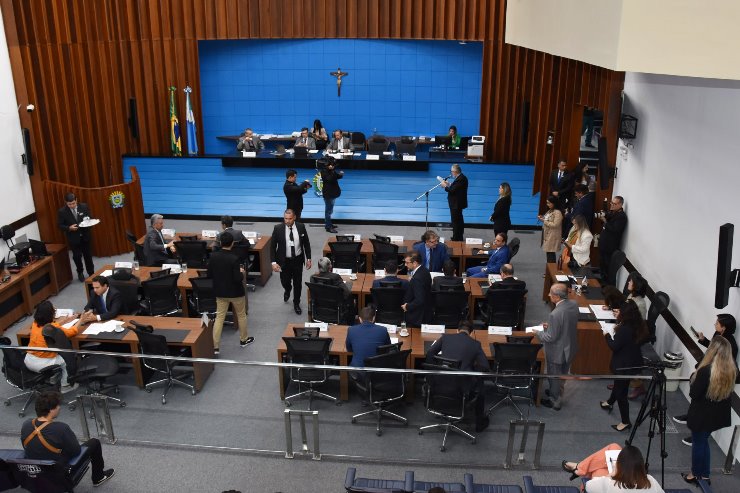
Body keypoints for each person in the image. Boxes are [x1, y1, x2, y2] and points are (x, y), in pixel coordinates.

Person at [21, 391, 115, 487]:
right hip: (57, 470)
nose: (59, 408)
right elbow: (76, 451)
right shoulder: (61, 428)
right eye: (58, 406)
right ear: (51, 410)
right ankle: (98, 477)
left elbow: (25, 446)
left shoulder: (26, 424)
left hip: (35, 470)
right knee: (94, 443)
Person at [682, 337, 737, 485]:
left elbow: (694, 394)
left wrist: (693, 378)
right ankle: (705, 475)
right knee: (704, 442)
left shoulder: (706, 371)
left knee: (698, 444)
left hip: (701, 416)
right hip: (717, 417)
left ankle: (694, 474)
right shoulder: (731, 370)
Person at [426, 321, 490, 431]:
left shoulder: (445, 337)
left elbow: (430, 353)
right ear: (471, 332)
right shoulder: (475, 344)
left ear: (457, 330)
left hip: (439, 383)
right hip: (461, 388)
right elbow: (485, 366)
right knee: (480, 382)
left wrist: (436, 369)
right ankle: (479, 422)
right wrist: (471, 369)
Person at [599, 300, 649, 432]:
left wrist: (607, 335)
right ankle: (610, 402)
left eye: (620, 311)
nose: (618, 312)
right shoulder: (637, 324)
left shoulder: (624, 329)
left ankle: (625, 421)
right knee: (619, 384)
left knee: (621, 393)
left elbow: (614, 346)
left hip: (624, 365)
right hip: (633, 361)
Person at [207, 232, 252, 354]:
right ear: (232, 243)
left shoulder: (213, 256)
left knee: (219, 317)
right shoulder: (234, 258)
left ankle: (215, 346)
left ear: (220, 243)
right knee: (241, 315)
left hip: (220, 292)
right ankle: (244, 339)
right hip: (236, 293)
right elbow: (237, 278)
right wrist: (241, 271)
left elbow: (209, 274)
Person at [23, 301, 83, 392]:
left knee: (58, 354)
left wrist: (66, 320)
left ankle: (54, 376)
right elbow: (72, 331)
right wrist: (82, 320)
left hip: (28, 360)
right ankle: (65, 385)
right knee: (67, 359)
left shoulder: (35, 324)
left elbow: (52, 326)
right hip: (41, 364)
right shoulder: (52, 329)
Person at [537, 283, 579, 410]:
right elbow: (565, 324)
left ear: (556, 297)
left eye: (550, 293)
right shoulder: (574, 304)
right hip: (570, 347)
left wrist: (538, 333)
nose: (549, 295)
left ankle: (555, 400)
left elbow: (550, 337)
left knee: (554, 375)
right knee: (563, 374)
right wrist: (550, 326)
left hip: (557, 351)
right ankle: (556, 392)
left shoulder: (555, 314)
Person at [271, 209, 312, 315]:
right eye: (285, 218)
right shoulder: (278, 228)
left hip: (297, 260)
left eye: (289, 219)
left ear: (294, 218)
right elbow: (272, 247)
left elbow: (306, 243)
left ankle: (296, 303)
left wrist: (308, 259)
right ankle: (287, 289)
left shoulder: (301, 227)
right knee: (285, 281)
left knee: (298, 283)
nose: (287, 221)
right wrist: (273, 262)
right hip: (284, 261)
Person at [585, 445, 664, 493]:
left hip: (606, 483)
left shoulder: (609, 483)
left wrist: (610, 475)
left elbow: (588, 486)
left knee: (599, 471)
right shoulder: (650, 481)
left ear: (619, 465)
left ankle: (579, 468)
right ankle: (579, 468)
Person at [57, 192, 95, 282]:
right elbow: (60, 225)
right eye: (69, 204)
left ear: (76, 200)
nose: (72, 205)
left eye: (73, 203)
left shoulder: (84, 206)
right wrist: (69, 228)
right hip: (73, 238)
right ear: (66, 203)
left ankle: (91, 273)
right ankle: (80, 272)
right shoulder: (62, 212)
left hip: (85, 236)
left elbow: (90, 218)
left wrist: (87, 223)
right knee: (77, 256)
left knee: (88, 256)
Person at [311, 257, 354, 323]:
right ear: (330, 266)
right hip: (335, 309)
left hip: (319, 310)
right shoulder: (335, 277)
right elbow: (347, 293)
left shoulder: (313, 278)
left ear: (318, 267)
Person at [599, 196, 628, 285]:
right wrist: (603, 217)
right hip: (603, 245)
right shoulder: (612, 212)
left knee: (608, 272)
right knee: (602, 268)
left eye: (614, 204)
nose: (612, 205)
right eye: (611, 203)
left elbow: (614, 230)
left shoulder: (622, 217)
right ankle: (602, 287)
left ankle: (608, 290)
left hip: (610, 248)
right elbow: (606, 222)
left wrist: (605, 222)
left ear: (620, 204)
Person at [401, 253, 432, 327]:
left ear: (415, 263)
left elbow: (419, 300)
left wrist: (407, 306)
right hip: (426, 312)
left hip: (417, 316)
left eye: (407, 263)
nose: (405, 265)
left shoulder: (417, 279)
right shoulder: (425, 270)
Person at [440, 164, 468, 241]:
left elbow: (452, 190)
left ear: (455, 171)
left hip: (456, 204)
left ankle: (456, 238)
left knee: (456, 221)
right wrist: (449, 184)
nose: (451, 173)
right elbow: (456, 187)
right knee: (458, 220)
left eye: (452, 171)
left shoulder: (461, 179)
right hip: (456, 203)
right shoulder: (460, 178)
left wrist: (444, 186)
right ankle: (458, 236)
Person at [538, 195, 563, 263]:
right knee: (549, 253)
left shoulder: (558, 212)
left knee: (551, 254)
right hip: (548, 234)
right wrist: (543, 218)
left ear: (554, 203)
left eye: (549, 203)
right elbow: (548, 219)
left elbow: (555, 224)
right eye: (547, 203)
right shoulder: (550, 210)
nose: (547, 204)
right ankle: (549, 271)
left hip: (553, 235)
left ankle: (551, 271)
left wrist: (544, 221)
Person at [320, 160, 344, 233]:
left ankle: (329, 223)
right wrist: (333, 171)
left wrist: (340, 174)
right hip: (328, 194)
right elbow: (329, 179)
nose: (332, 166)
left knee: (330, 210)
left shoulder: (331, 171)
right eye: (331, 165)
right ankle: (328, 227)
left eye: (333, 165)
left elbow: (336, 177)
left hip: (333, 193)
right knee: (328, 211)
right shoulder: (324, 172)